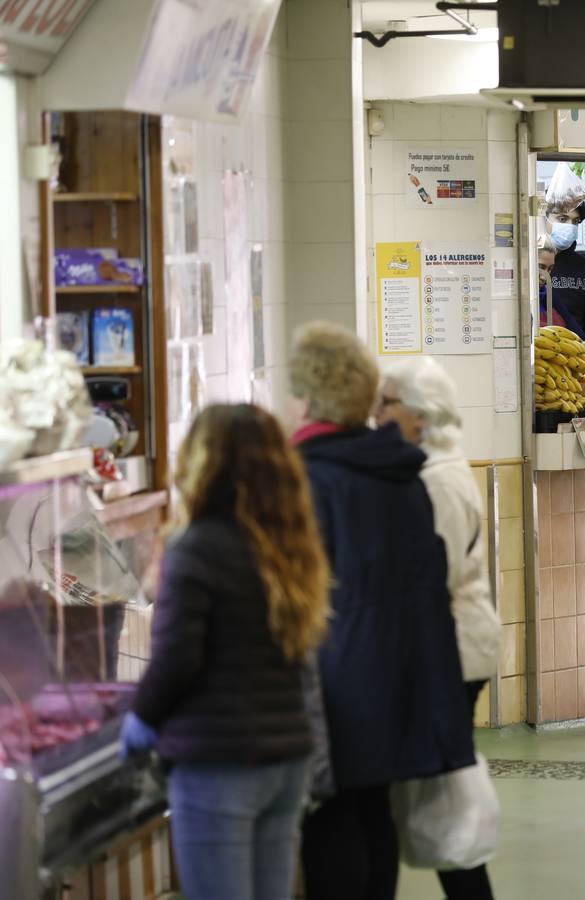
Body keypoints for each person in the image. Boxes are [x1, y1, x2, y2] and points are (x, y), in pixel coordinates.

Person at [287, 323, 477, 900]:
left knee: (331, 819)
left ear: (306, 394)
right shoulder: (400, 470)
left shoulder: (305, 476)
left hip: (336, 674)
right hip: (402, 669)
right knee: (374, 812)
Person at [120, 404, 331, 900]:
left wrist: (142, 717)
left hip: (218, 761)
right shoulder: (289, 545)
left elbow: (177, 658)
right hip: (286, 760)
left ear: (201, 464)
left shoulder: (195, 545)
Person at [376, 358, 500, 900]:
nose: (376, 414)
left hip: (453, 652)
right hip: (440, 648)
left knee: (448, 800)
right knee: (438, 795)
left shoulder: (439, 479)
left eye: (386, 404)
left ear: (418, 417)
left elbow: (434, 572)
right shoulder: (427, 468)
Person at [547, 204, 585, 342]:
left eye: (575, 221)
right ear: (543, 218)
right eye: (562, 219)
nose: (570, 226)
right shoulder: (528, 265)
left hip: (576, 353)